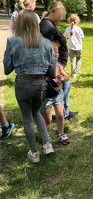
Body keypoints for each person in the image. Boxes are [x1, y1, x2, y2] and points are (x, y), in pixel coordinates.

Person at [3, 10, 55, 163]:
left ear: (19, 24)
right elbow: (51, 71)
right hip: (41, 84)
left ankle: (34, 153)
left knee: (27, 118)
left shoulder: (13, 41)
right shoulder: (46, 43)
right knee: (37, 112)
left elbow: (7, 69)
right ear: (35, 24)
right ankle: (47, 144)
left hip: (23, 84)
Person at [40, 1, 78, 120]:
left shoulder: (50, 24)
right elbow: (46, 48)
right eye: (62, 12)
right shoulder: (47, 26)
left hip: (57, 64)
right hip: (55, 64)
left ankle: (63, 111)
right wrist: (55, 65)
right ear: (53, 11)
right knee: (62, 86)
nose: (64, 15)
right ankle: (55, 111)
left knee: (64, 85)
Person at [43, 41, 70, 145]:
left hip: (58, 94)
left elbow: (67, 77)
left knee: (60, 115)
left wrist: (62, 78)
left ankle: (61, 134)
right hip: (47, 96)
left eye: (57, 52)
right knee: (48, 119)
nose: (57, 54)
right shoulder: (43, 66)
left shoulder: (58, 66)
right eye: (54, 52)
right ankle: (46, 136)